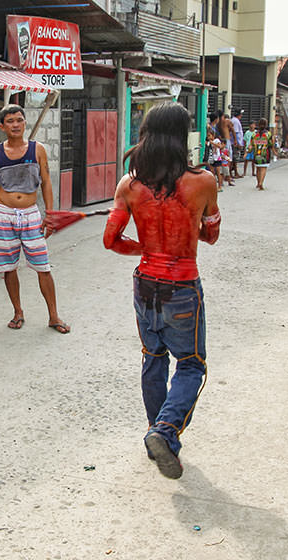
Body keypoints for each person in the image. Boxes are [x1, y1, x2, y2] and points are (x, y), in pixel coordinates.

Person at [103, 102, 220, 479]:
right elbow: (212, 235)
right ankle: (165, 431)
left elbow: (111, 239)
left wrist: (144, 247)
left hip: (145, 283)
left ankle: (160, 436)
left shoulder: (130, 184)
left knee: (153, 357)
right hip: (183, 285)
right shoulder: (203, 181)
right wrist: (195, 225)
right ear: (182, 135)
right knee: (191, 364)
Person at [0, 105, 69, 333]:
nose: (15, 125)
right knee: (9, 267)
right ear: (2, 126)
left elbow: (47, 182)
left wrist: (50, 215)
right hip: (4, 214)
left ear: (24, 123)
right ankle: (18, 312)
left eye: (19, 120)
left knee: (43, 266)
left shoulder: (37, 149)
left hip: (31, 213)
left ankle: (53, 315)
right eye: (10, 121)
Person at [250, 117, 276, 190]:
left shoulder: (254, 134)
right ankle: (261, 183)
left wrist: (247, 152)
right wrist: (274, 152)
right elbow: (271, 145)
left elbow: (251, 144)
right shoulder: (268, 134)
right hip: (265, 154)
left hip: (256, 154)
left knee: (258, 168)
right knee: (263, 169)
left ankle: (258, 183)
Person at [230, 109, 244, 178]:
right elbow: (235, 132)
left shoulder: (235, 120)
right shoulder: (235, 121)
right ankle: (234, 173)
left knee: (234, 158)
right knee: (234, 158)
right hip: (234, 143)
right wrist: (237, 142)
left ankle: (234, 172)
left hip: (235, 142)